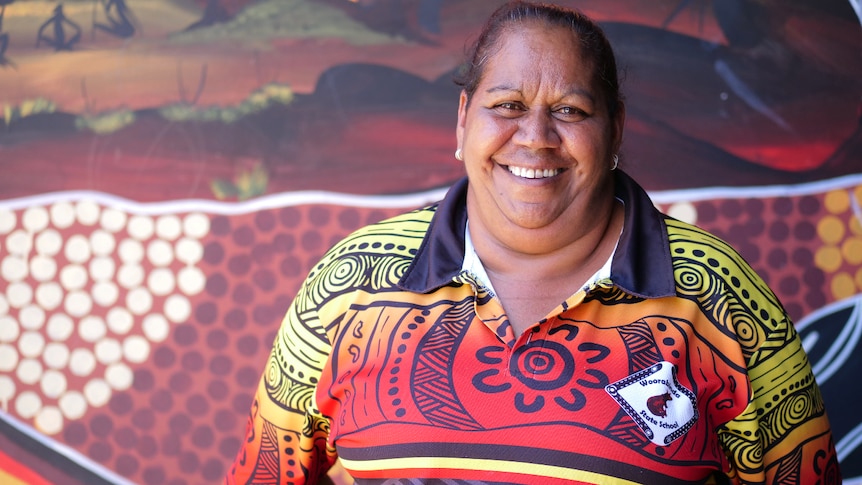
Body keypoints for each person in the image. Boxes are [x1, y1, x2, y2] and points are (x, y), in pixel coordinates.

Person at [225, 2, 841, 484]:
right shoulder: (353, 281)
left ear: (616, 128)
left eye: (570, 111)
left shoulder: (715, 296)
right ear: (464, 121)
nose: (536, 137)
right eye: (508, 105)